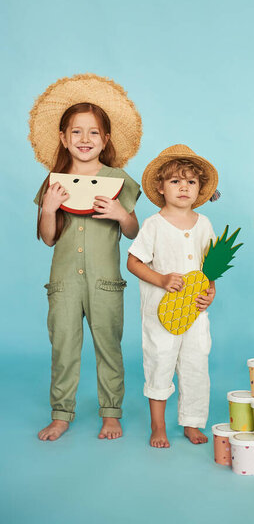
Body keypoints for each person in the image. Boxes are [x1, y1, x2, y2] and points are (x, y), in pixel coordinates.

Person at [30, 73, 142, 441]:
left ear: (105, 139)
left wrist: (121, 214)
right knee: (63, 347)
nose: (85, 139)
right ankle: (61, 414)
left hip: (105, 281)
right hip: (63, 283)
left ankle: (112, 413)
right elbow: (48, 238)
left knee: (109, 346)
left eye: (94, 132)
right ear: (63, 138)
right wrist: (49, 208)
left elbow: (133, 233)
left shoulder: (118, 179)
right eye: (76, 132)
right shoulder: (54, 182)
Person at [127, 145, 218, 448]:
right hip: (160, 314)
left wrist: (210, 293)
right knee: (160, 362)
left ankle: (192, 422)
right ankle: (158, 426)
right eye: (176, 181)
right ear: (160, 187)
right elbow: (133, 262)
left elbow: (210, 268)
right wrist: (162, 279)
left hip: (194, 313)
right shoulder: (154, 225)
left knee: (195, 365)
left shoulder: (203, 224)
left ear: (199, 189)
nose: (184, 187)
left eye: (191, 182)